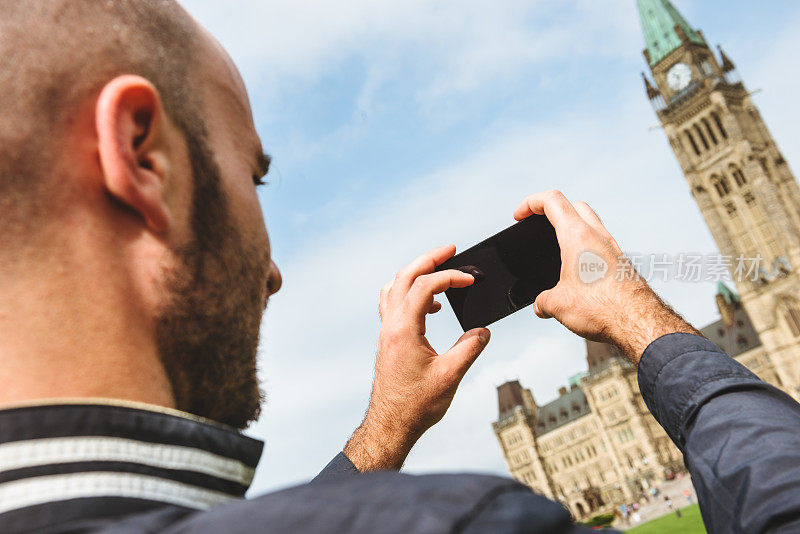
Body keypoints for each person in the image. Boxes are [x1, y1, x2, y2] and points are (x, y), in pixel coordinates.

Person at [1, 1, 800, 533]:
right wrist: (639, 319)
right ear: (141, 157)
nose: (274, 272)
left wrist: (384, 430)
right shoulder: (463, 522)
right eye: (255, 176)